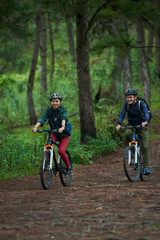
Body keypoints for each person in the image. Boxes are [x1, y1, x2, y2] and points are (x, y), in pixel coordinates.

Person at [32, 93, 72, 176]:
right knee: (48, 145)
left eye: (57, 101)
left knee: (61, 151)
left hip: (64, 134)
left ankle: (68, 167)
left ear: (60, 102)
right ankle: (48, 162)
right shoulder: (49, 110)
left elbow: (63, 118)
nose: (55, 103)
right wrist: (36, 127)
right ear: (51, 102)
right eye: (53, 101)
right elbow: (42, 118)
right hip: (54, 133)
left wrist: (62, 127)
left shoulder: (62, 110)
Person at [116, 88, 151, 175]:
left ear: (135, 97)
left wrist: (145, 122)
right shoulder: (126, 105)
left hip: (142, 125)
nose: (129, 99)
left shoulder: (141, 103)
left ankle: (146, 167)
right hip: (132, 125)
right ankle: (131, 150)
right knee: (127, 133)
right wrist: (119, 124)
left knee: (145, 147)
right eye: (127, 97)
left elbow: (146, 113)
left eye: (131, 97)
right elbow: (122, 114)